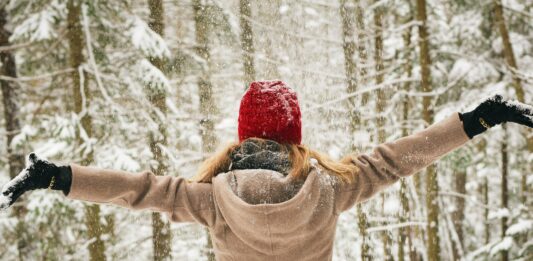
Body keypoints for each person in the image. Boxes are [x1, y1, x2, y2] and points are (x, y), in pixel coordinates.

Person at [1, 81, 532, 260]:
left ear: (242, 136)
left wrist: (58, 176)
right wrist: (477, 120)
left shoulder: (210, 199)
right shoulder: (330, 188)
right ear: (294, 135)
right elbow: (398, 159)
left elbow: (139, 191)